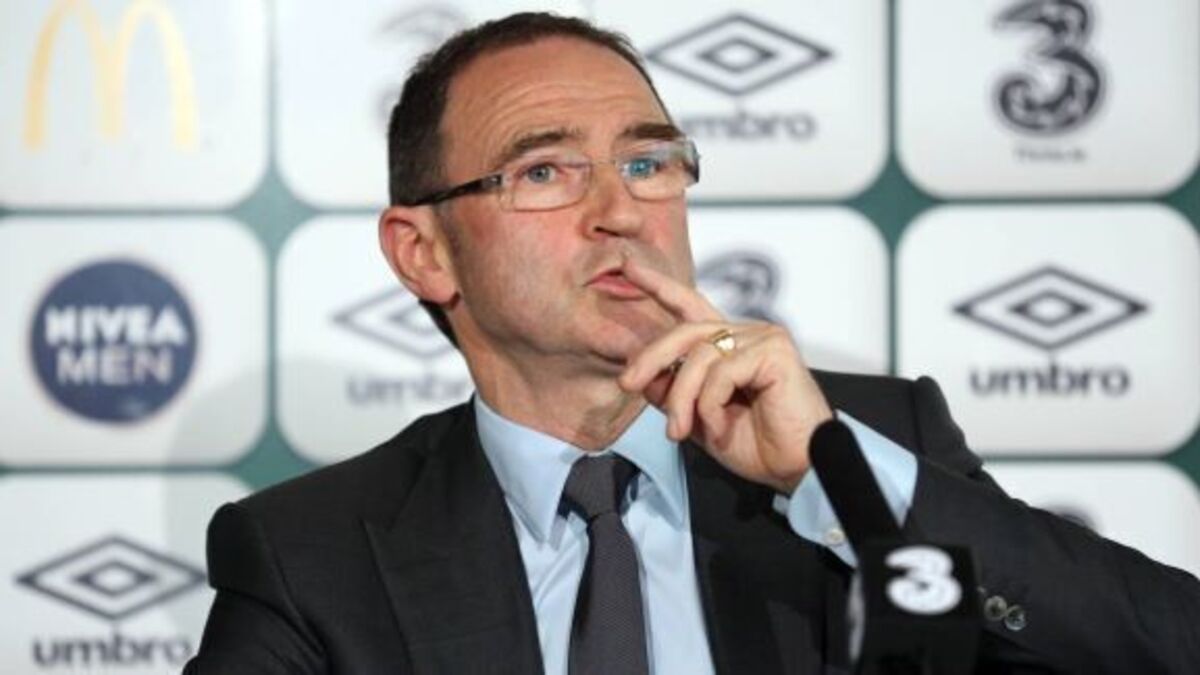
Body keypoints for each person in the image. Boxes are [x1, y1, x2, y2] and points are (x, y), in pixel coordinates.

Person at [186, 12, 1200, 674]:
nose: (621, 211)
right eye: (543, 173)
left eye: (647, 162)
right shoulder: (310, 553)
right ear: (425, 253)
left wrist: (834, 476)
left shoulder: (871, 443)